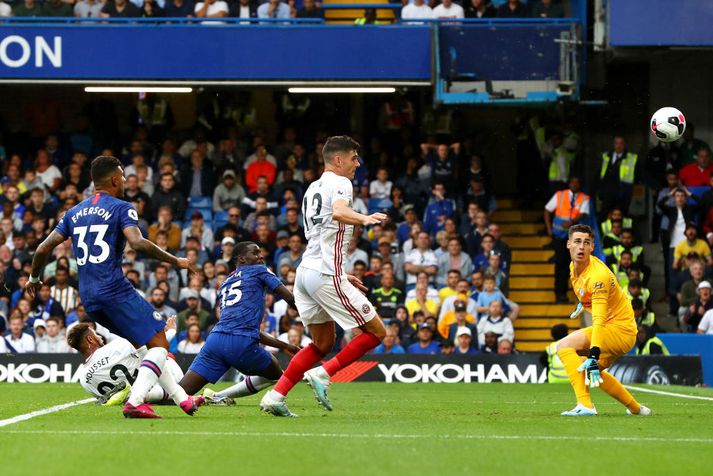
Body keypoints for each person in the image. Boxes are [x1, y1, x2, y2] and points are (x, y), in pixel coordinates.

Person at [25, 155, 198, 419]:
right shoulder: (122, 207)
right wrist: (176, 260)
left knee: (144, 346)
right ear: (115, 179)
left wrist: (35, 278)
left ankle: (182, 399)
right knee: (160, 342)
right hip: (115, 289)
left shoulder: (72, 213)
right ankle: (136, 400)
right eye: (123, 175)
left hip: (90, 298)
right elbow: (138, 243)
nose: (126, 180)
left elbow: (42, 248)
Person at [261, 136, 388, 417]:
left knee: (323, 343)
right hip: (325, 272)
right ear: (338, 160)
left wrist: (342, 274)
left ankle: (275, 395)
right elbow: (339, 212)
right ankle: (324, 373)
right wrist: (365, 219)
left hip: (306, 273)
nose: (358, 163)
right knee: (378, 332)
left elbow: (323, 231)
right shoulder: (342, 183)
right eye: (354, 158)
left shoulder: (312, 187)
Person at [178, 242, 301, 402]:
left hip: (215, 341)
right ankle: (219, 396)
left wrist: (285, 346)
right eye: (256, 253)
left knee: (178, 393)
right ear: (242, 259)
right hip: (240, 343)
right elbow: (290, 298)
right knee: (276, 374)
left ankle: (141, 396)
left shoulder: (226, 282)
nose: (261, 256)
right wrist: (314, 316)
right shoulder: (260, 270)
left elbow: (240, 327)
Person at [556, 224, 651, 416]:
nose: (581, 247)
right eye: (577, 242)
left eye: (586, 243)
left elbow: (598, 320)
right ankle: (637, 409)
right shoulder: (573, 267)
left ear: (592, 247)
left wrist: (593, 353)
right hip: (617, 330)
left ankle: (586, 405)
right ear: (568, 244)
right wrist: (583, 304)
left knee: (564, 346)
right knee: (585, 371)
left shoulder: (598, 276)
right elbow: (589, 295)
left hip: (618, 330)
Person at [544, 176, 590, 302]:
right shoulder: (560, 195)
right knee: (560, 264)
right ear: (569, 183)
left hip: (574, 238)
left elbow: (583, 213)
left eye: (577, 183)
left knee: (572, 266)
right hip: (559, 236)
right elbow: (547, 210)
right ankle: (560, 294)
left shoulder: (584, 198)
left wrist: (571, 222)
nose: (575, 185)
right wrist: (548, 228)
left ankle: (574, 294)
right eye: (573, 182)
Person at [598, 136, 638, 215]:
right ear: (613, 144)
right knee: (606, 218)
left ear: (624, 144)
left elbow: (639, 174)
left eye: (621, 143)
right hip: (608, 194)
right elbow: (600, 175)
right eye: (616, 143)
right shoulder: (606, 157)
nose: (618, 146)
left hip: (623, 195)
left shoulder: (631, 158)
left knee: (622, 218)